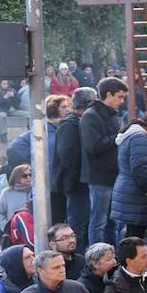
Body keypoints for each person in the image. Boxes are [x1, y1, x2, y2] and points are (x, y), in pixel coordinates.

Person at [82, 78, 129, 247]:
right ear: (108, 95)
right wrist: (117, 139)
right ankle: (97, 259)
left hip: (113, 175)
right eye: (120, 97)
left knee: (113, 222)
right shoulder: (91, 116)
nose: (121, 101)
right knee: (99, 222)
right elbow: (93, 146)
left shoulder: (112, 115)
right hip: (99, 178)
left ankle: (111, 258)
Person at [112, 112, 147, 251]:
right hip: (136, 193)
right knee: (133, 240)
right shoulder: (140, 138)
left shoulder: (131, 135)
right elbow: (139, 167)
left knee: (132, 236)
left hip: (129, 191)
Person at [55, 87, 95, 251]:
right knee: (78, 225)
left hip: (86, 181)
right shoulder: (70, 124)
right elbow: (67, 155)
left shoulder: (83, 122)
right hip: (76, 183)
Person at [0, 163, 34, 251]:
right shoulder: (7, 192)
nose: (29, 178)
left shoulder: (36, 191)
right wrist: (7, 227)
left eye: (30, 175)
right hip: (15, 235)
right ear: (17, 177)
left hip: (34, 234)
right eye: (24, 176)